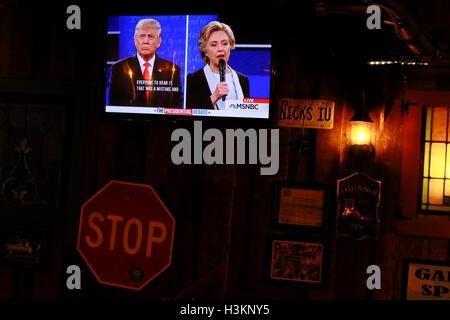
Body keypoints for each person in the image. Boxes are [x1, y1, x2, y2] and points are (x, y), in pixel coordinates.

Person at [109, 19, 182, 108]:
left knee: (198, 123)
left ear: (159, 42)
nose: (146, 41)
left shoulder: (172, 70)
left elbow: (176, 107)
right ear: (135, 41)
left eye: (151, 37)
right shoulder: (119, 68)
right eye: (142, 36)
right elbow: (114, 106)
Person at [186, 21, 250, 110]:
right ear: (205, 51)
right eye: (214, 45)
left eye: (224, 44)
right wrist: (214, 97)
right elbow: (193, 119)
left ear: (230, 46)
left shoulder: (243, 79)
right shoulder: (194, 79)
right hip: (202, 124)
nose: (220, 49)